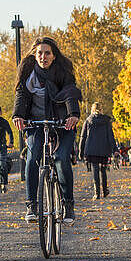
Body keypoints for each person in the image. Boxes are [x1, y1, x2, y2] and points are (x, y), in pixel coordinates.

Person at [12, 36, 81, 224]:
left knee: (60, 158)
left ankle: (68, 205)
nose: (43, 57)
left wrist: (73, 114)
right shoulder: (28, 73)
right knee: (32, 157)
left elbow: (70, 93)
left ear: (54, 55)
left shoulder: (62, 72)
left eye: (47, 53)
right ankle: (32, 204)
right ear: (34, 55)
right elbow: (21, 95)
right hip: (36, 123)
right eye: (40, 53)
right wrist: (18, 115)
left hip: (62, 123)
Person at [78, 102, 118, 199]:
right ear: (101, 109)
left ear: (92, 109)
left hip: (91, 149)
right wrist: (114, 149)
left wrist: (81, 151)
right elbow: (110, 136)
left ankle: (97, 193)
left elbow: (83, 137)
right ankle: (104, 191)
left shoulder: (88, 120)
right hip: (104, 149)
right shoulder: (106, 121)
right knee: (103, 170)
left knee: (95, 170)